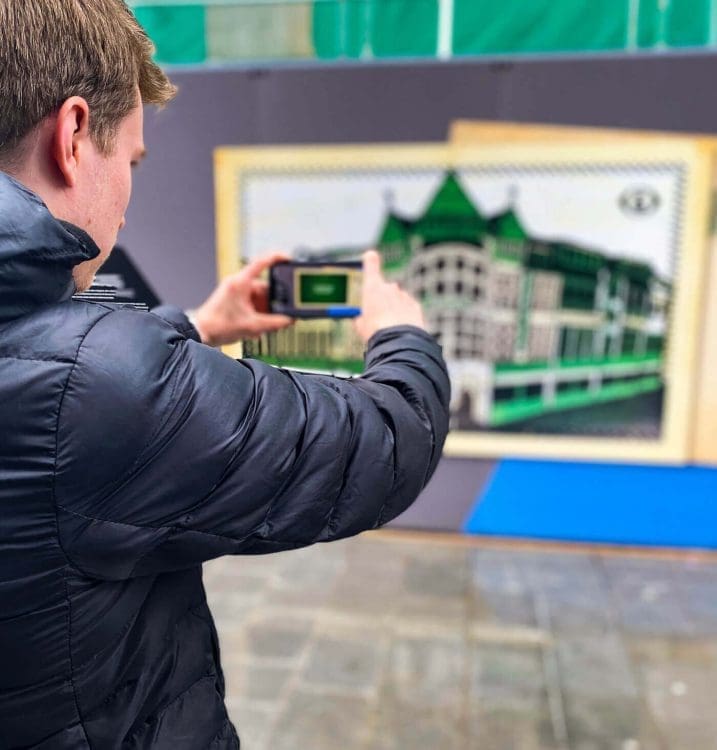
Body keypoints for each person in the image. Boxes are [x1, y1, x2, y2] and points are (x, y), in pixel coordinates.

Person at [0, 1, 450, 748]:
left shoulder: (85, 380)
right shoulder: (95, 390)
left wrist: (200, 326)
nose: (127, 203)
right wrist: (399, 329)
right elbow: (389, 439)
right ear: (73, 136)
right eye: (131, 160)